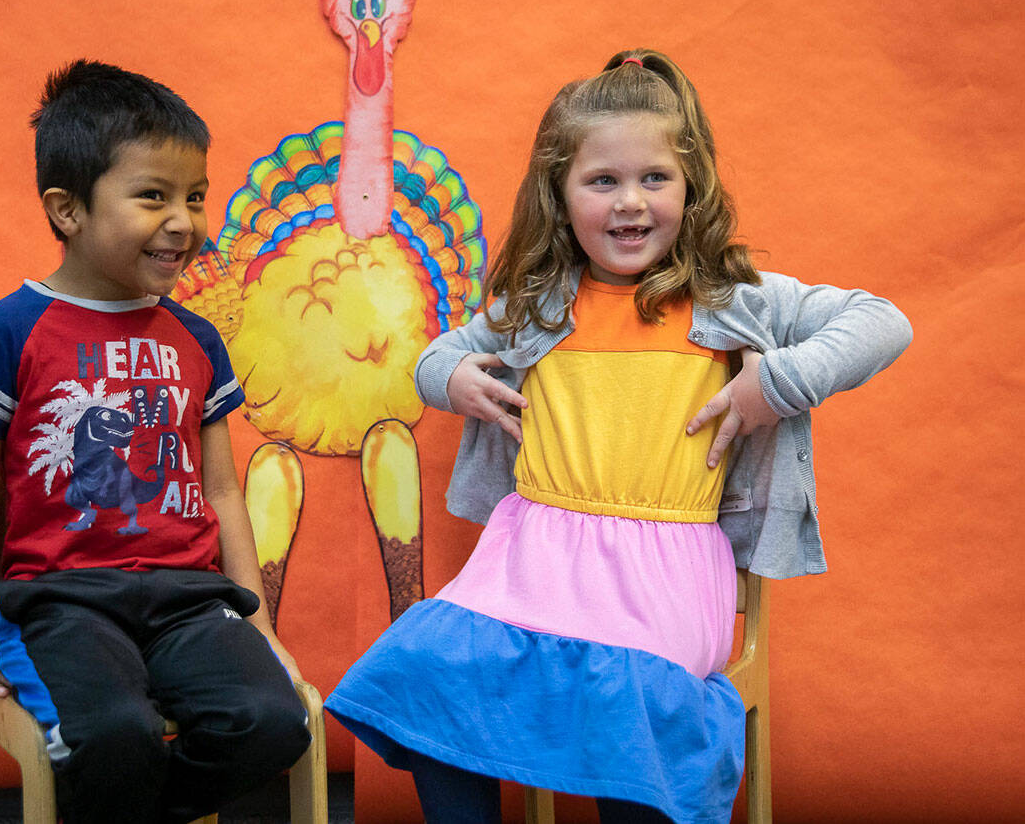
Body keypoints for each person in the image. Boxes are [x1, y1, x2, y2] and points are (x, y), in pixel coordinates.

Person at [325, 49, 912, 824]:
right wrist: (453, 378)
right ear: (560, 195)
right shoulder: (541, 304)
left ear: (690, 185)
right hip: (532, 556)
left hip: (662, 566)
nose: (630, 202)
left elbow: (884, 321)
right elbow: (439, 357)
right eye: (602, 181)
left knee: (626, 712)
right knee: (429, 676)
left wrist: (772, 384)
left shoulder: (732, 299)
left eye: (654, 178)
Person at [0, 60, 310, 824]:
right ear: (67, 210)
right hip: (60, 603)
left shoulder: (199, 339)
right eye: (153, 196)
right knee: (114, 734)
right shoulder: (12, 330)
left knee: (277, 723)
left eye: (195, 196)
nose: (185, 220)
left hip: (190, 603)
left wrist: (261, 625)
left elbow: (222, 491)